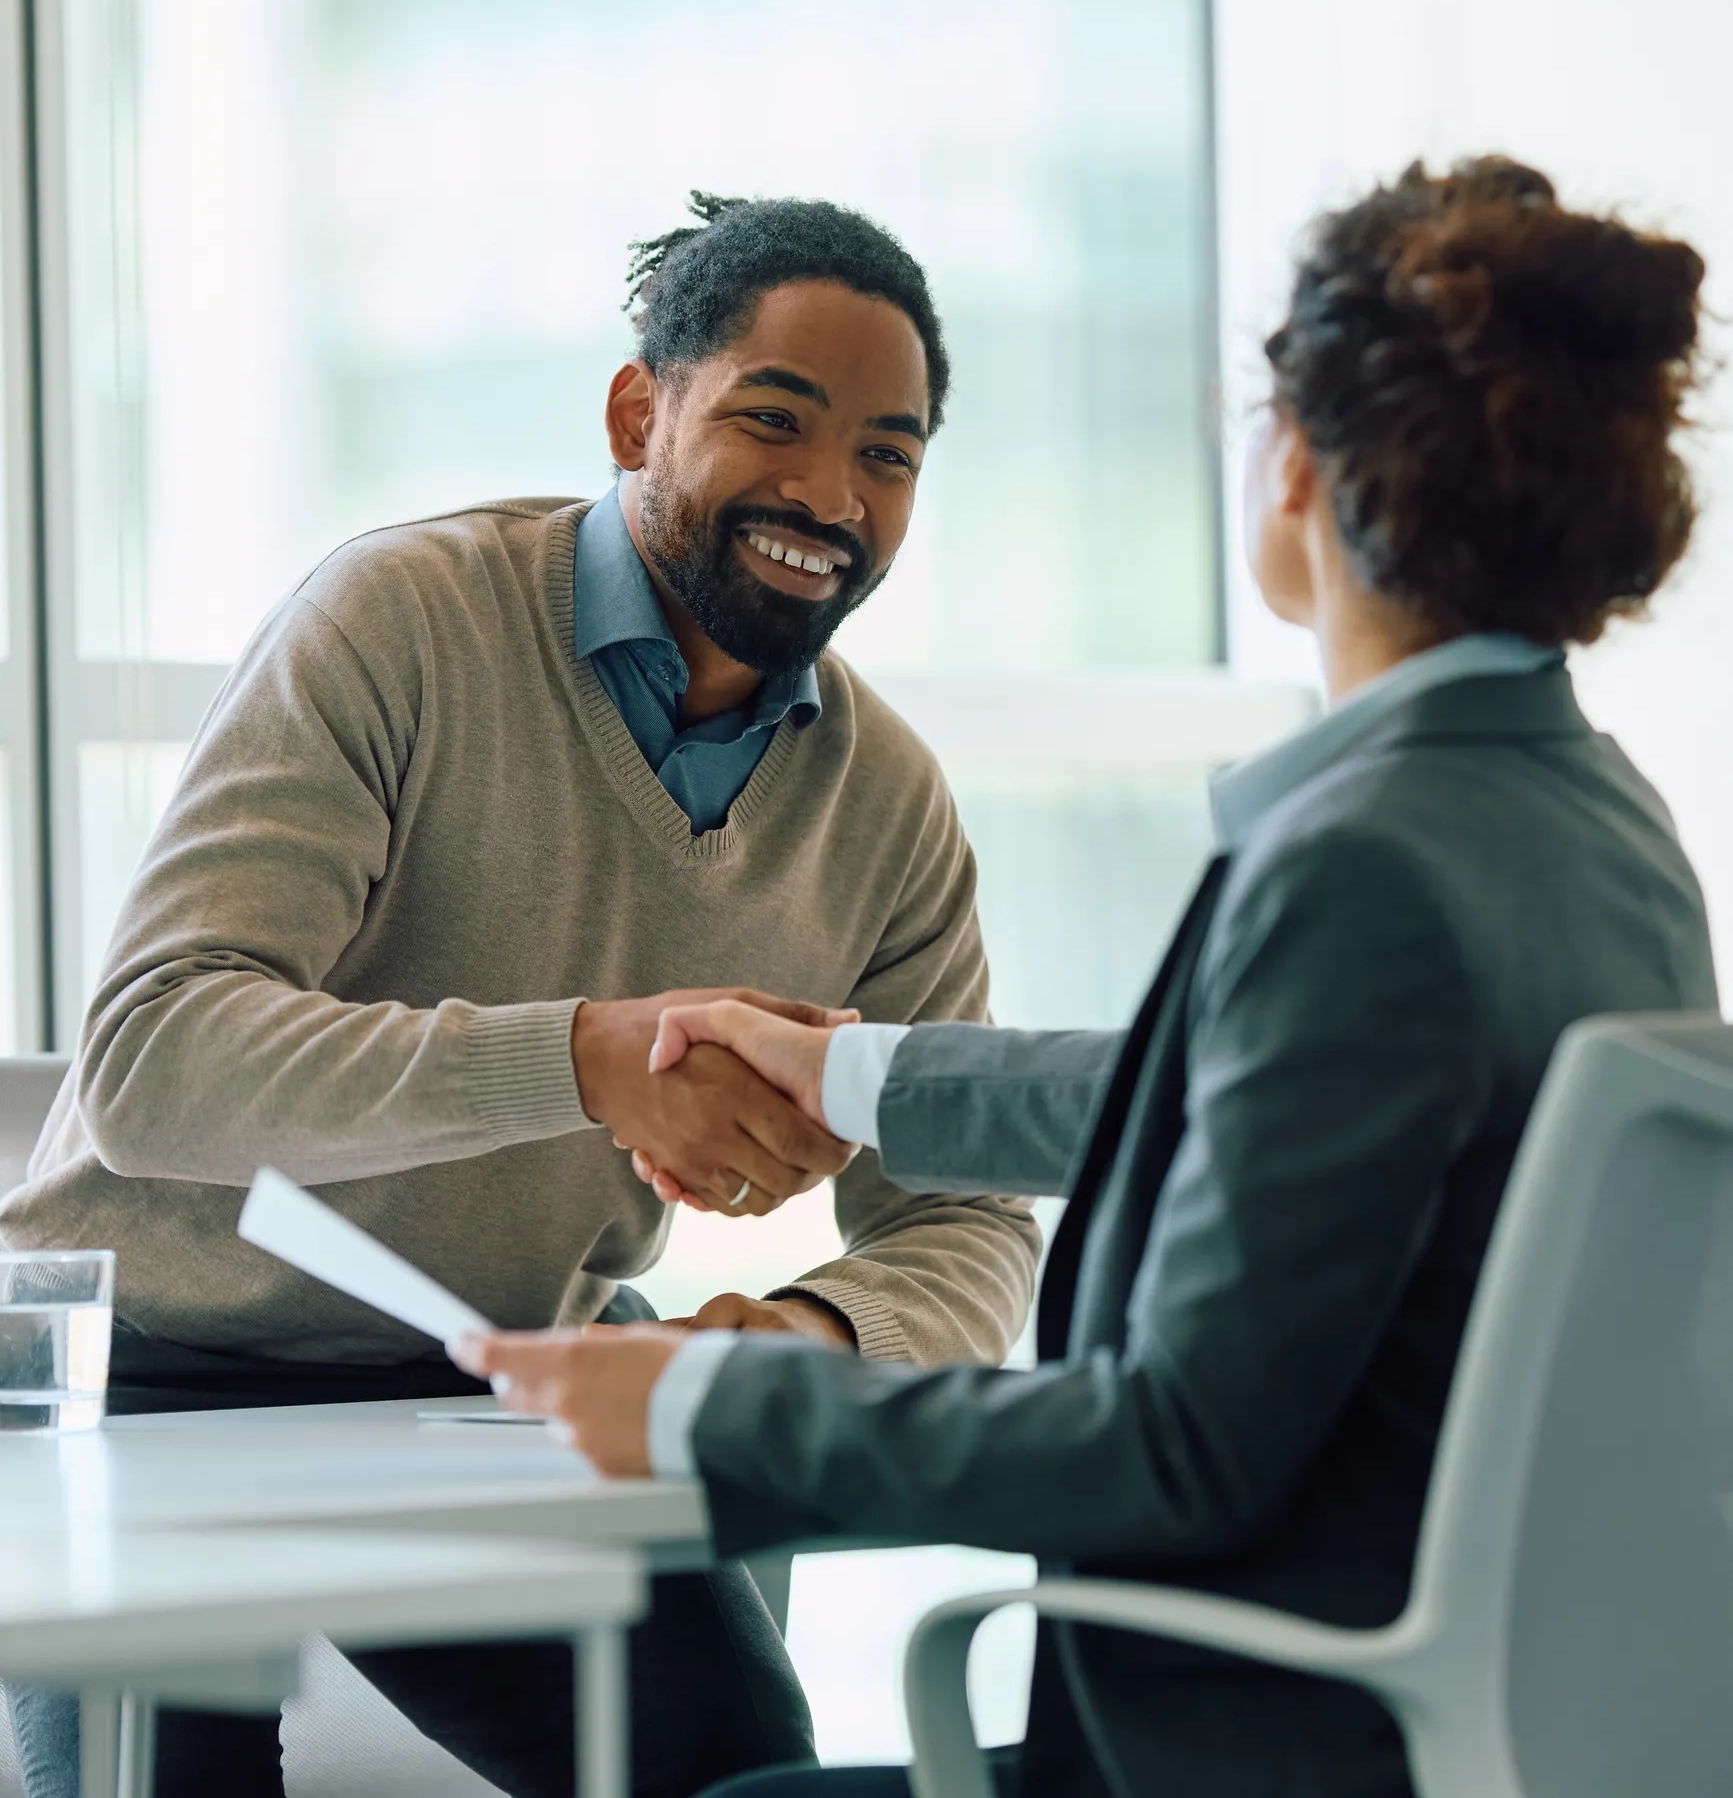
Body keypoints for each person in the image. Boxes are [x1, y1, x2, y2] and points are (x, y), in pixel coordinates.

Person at [453, 159, 1721, 1798]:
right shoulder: (1603, 831)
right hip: (1510, 1728)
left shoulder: (1363, 865)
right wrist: (848, 1073)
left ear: (1302, 472)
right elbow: (1268, 1093)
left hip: (1240, 1748)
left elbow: (1165, 1449)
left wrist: (705, 1407)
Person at [0, 193, 1041, 1798]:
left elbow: (963, 1215)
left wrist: (819, 1323)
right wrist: (584, 1058)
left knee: (739, 1778)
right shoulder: (399, 622)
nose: (828, 495)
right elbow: (153, 1059)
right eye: (775, 420)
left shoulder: (885, 800)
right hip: (141, 1388)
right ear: (642, 410)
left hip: (487, 1388)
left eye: (887, 456)